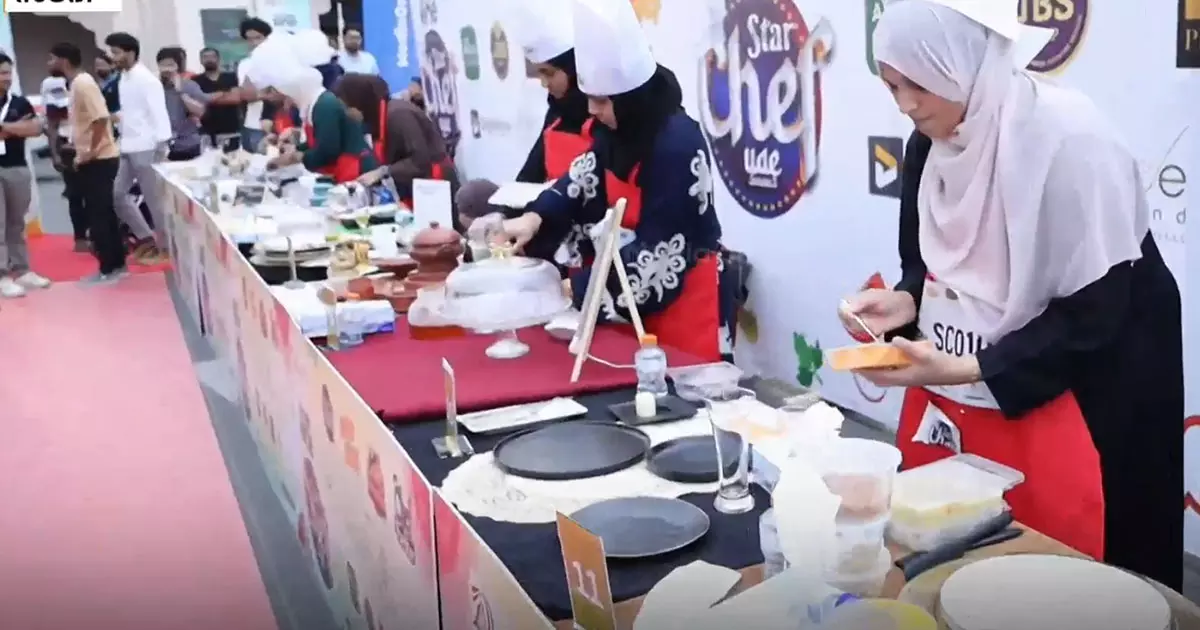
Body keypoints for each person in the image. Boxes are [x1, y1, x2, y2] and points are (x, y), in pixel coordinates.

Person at [839, 0, 1183, 591]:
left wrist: (974, 366)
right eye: (892, 85)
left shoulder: (1070, 143)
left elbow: (1096, 311)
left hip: (1101, 372)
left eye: (920, 83)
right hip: (991, 371)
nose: (906, 104)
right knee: (971, 555)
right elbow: (927, 264)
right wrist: (908, 301)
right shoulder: (930, 144)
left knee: (1095, 575)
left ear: (965, 63)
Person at [501, 0, 731, 362]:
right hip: (629, 303)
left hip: (677, 310)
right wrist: (534, 217)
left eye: (601, 101)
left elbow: (660, 255)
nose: (591, 110)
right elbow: (581, 177)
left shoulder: (677, 145)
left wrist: (573, 289)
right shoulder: (616, 133)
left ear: (630, 98)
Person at [247, 30, 378, 183]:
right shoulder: (314, 104)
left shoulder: (324, 105)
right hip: (345, 167)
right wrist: (296, 149)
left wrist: (296, 157)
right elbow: (316, 142)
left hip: (357, 170)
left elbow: (328, 150)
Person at [50, 42, 124, 284]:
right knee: (103, 212)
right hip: (92, 156)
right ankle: (115, 263)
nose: (49, 64)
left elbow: (101, 119)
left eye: (52, 59)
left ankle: (108, 267)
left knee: (98, 214)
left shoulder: (83, 83)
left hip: (99, 159)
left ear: (63, 60)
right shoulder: (75, 84)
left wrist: (91, 151)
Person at [340, 73, 457, 204]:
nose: (347, 113)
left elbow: (420, 160)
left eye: (348, 107)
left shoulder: (399, 115)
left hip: (434, 184)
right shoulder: (375, 120)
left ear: (358, 102)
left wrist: (383, 172)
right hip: (414, 185)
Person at [106, 31, 171, 265]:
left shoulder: (147, 79)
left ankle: (166, 248)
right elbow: (133, 112)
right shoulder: (123, 78)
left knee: (154, 201)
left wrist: (162, 147)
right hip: (127, 145)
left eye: (116, 52)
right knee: (117, 194)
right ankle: (146, 239)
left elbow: (159, 114)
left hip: (148, 146)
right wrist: (116, 119)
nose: (113, 57)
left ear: (130, 52)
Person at [514, 0, 593, 184]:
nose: (544, 83)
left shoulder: (606, 116)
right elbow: (529, 175)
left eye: (548, 73)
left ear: (574, 68)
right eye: (539, 74)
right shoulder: (557, 112)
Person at [0, 53, 51, 298]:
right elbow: (24, 127)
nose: (7, 77)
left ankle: (21, 269)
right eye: (2, 73)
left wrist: (5, 128)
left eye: (8, 72)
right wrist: (16, 128)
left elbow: (35, 128)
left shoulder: (19, 103)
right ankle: (2, 275)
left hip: (16, 167)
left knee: (16, 222)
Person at [42, 69, 88, 251]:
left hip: (88, 144)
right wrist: (55, 153)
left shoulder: (86, 86)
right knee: (75, 194)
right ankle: (80, 237)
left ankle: (96, 234)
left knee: (94, 194)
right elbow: (52, 125)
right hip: (66, 146)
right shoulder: (53, 87)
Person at [156, 47, 211, 161]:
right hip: (162, 146)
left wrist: (180, 92)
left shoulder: (189, 85)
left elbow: (200, 112)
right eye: (163, 65)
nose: (167, 69)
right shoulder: (154, 87)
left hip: (189, 144)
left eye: (170, 65)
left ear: (178, 66)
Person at [193, 47, 242, 150]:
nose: (209, 59)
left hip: (230, 129)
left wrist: (206, 97)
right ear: (201, 60)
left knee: (232, 158)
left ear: (218, 59)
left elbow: (235, 98)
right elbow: (196, 102)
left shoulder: (231, 77)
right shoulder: (196, 80)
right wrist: (224, 93)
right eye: (205, 57)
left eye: (212, 56)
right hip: (205, 131)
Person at [238, 18, 273, 151]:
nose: (254, 43)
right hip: (253, 125)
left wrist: (263, 93)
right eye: (249, 39)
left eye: (258, 38)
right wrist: (266, 93)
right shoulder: (245, 64)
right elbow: (246, 95)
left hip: (278, 124)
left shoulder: (279, 60)